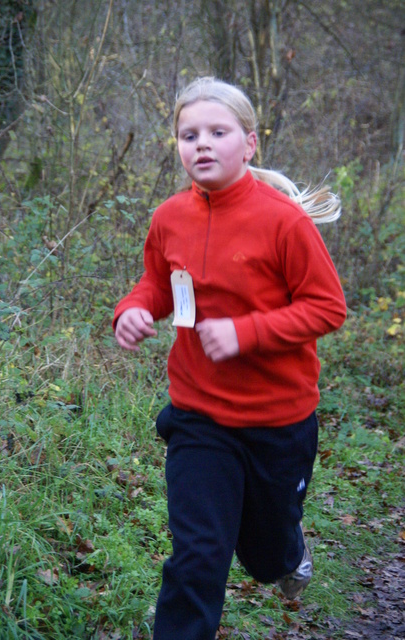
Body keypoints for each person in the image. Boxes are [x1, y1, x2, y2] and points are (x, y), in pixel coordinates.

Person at [113, 76, 347, 640]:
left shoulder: (283, 221)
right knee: (197, 555)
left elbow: (327, 307)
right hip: (199, 416)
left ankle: (286, 550)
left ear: (250, 142)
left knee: (266, 560)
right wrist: (134, 309)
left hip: (278, 421)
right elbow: (158, 284)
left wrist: (247, 333)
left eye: (218, 132)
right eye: (189, 135)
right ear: (177, 146)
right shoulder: (170, 217)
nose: (203, 144)